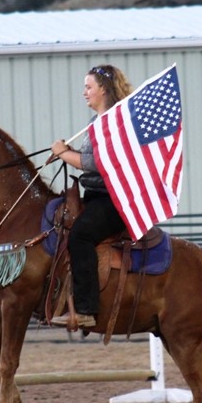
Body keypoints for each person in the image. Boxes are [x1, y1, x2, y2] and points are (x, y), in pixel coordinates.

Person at [50, 64, 133, 328]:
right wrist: (71, 152)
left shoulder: (113, 122)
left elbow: (99, 162)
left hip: (113, 200)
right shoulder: (97, 122)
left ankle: (85, 309)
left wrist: (64, 154)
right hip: (96, 195)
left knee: (81, 235)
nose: (84, 92)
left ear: (104, 90)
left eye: (89, 87)